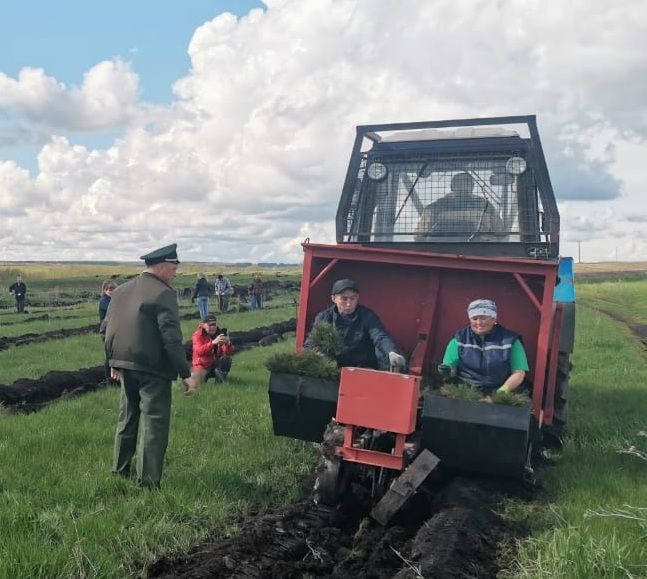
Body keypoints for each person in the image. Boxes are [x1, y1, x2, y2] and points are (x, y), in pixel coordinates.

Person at [104, 243, 198, 489]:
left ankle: (119, 470)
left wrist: (113, 362)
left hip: (125, 365)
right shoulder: (163, 293)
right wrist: (185, 373)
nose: (176, 273)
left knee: (127, 418)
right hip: (153, 369)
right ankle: (148, 484)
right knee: (154, 424)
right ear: (163, 266)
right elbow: (171, 338)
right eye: (175, 267)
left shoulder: (121, 290)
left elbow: (107, 330)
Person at [304, 278, 406, 371]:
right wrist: (317, 354)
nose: (348, 304)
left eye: (352, 299)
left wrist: (391, 352)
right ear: (334, 298)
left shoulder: (367, 316)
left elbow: (380, 336)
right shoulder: (324, 317)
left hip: (363, 365)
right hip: (334, 366)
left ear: (357, 298)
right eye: (344, 299)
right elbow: (310, 343)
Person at [441, 299, 529, 397]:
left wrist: (502, 392)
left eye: (483, 318)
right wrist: (447, 370)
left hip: (501, 390)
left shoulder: (511, 340)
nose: (479, 322)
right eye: (474, 318)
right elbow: (450, 366)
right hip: (465, 392)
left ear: (493, 318)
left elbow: (519, 372)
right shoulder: (459, 339)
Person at [415, 172, 504, 240]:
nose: (463, 186)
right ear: (472, 186)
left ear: (451, 186)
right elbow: (501, 233)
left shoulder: (434, 207)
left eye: (465, 183)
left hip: (440, 255)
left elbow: (419, 236)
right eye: (460, 183)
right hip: (481, 254)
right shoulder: (486, 206)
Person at [191, 314, 235, 385]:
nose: (212, 327)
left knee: (226, 359)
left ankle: (219, 382)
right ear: (203, 325)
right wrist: (213, 343)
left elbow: (227, 352)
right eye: (210, 325)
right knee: (197, 384)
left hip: (214, 364)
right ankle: (195, 376)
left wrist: (228, 343)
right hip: (202, 366)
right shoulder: (197, 335)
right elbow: (199, 351)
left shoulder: (219, 334)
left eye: (214, 324)